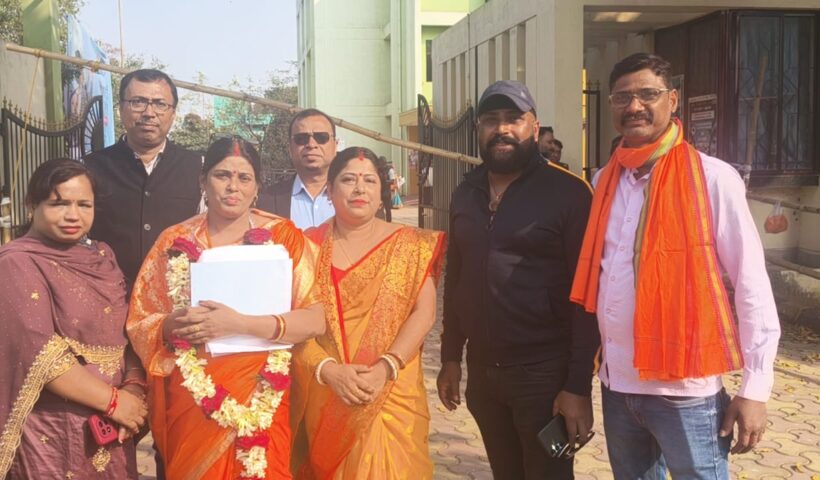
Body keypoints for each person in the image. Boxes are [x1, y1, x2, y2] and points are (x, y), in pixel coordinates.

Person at [570, 53, 781, 479]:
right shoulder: (604, 182)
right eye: (622, 97)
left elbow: (751, 282)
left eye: (647, 94)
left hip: (686, 393)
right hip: (617, 385)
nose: (634, 106)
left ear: (672, 99)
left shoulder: (712, 178)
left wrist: (755, 387)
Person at [126, 137, 326, 479]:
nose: (233, 186)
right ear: (203, 182)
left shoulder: (284, 238)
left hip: (264, 390)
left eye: (244, 177)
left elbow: (315, 319)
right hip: (193, 397)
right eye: (222, 175)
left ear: (257, 187)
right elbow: (141, 321)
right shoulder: (173, 241)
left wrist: (239, 324)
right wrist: (172, 324)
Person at [436, 80, 600, 479]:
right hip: (483, 375)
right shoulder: (466, 191)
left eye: (514, 118)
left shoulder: (569, 193)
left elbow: (589, 292)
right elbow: (456, 276)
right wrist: (450, 356)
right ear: (479, 129)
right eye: (491, 120)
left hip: (544, 376)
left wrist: (578, 385)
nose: (502, 129)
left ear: (535, 126)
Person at [291, 147, 445, 479]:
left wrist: (385, 367)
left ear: (382, 192)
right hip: (327, 389)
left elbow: (425, 313)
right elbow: (294, 320)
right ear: (330, 190)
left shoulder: (411, 245)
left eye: (369, 181)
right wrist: (329, 371)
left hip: (391, 388)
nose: (359, 188)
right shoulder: (307, 246)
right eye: (348, 180)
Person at [0, 158, 148, 478]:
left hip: (112, 426)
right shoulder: (17, 262)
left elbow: (128, 333)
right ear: (32, 205)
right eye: (59, 204)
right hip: (53, 430)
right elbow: (41, 356)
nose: (73, 215)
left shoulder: (102, 256)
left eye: (84, 204)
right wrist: (114, 402)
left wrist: (135, 386)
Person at [84, 68, 202, 292]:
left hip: (176, 297)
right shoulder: (91, 168)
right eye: (138, 102)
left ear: (173, 113)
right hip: (109, 295)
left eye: (160, 104)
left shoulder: (197, 168)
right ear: (121, 109)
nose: (149, 113)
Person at [258, 108, 337, 229]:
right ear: (290, 148)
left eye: (321, 137)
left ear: (335, 145)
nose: (311, 144)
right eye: (301, 139)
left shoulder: (352, 196)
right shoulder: (267, 200)